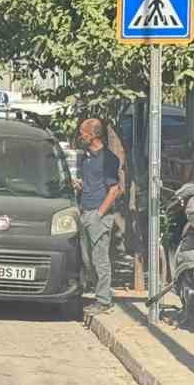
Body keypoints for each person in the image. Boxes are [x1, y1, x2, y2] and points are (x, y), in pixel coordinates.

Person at [74, 118, 122, 312]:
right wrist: (80, 185)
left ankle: (103, 300)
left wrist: (99, 214)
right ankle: (97, 294)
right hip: (85, 211)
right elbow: (92, 183)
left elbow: (115, 189)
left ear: (93, 135)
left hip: (98, 215)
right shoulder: (86, 158)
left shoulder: (108, 159)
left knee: (100, 260)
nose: (80, 137)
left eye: (83, 133)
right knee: (87, 259)